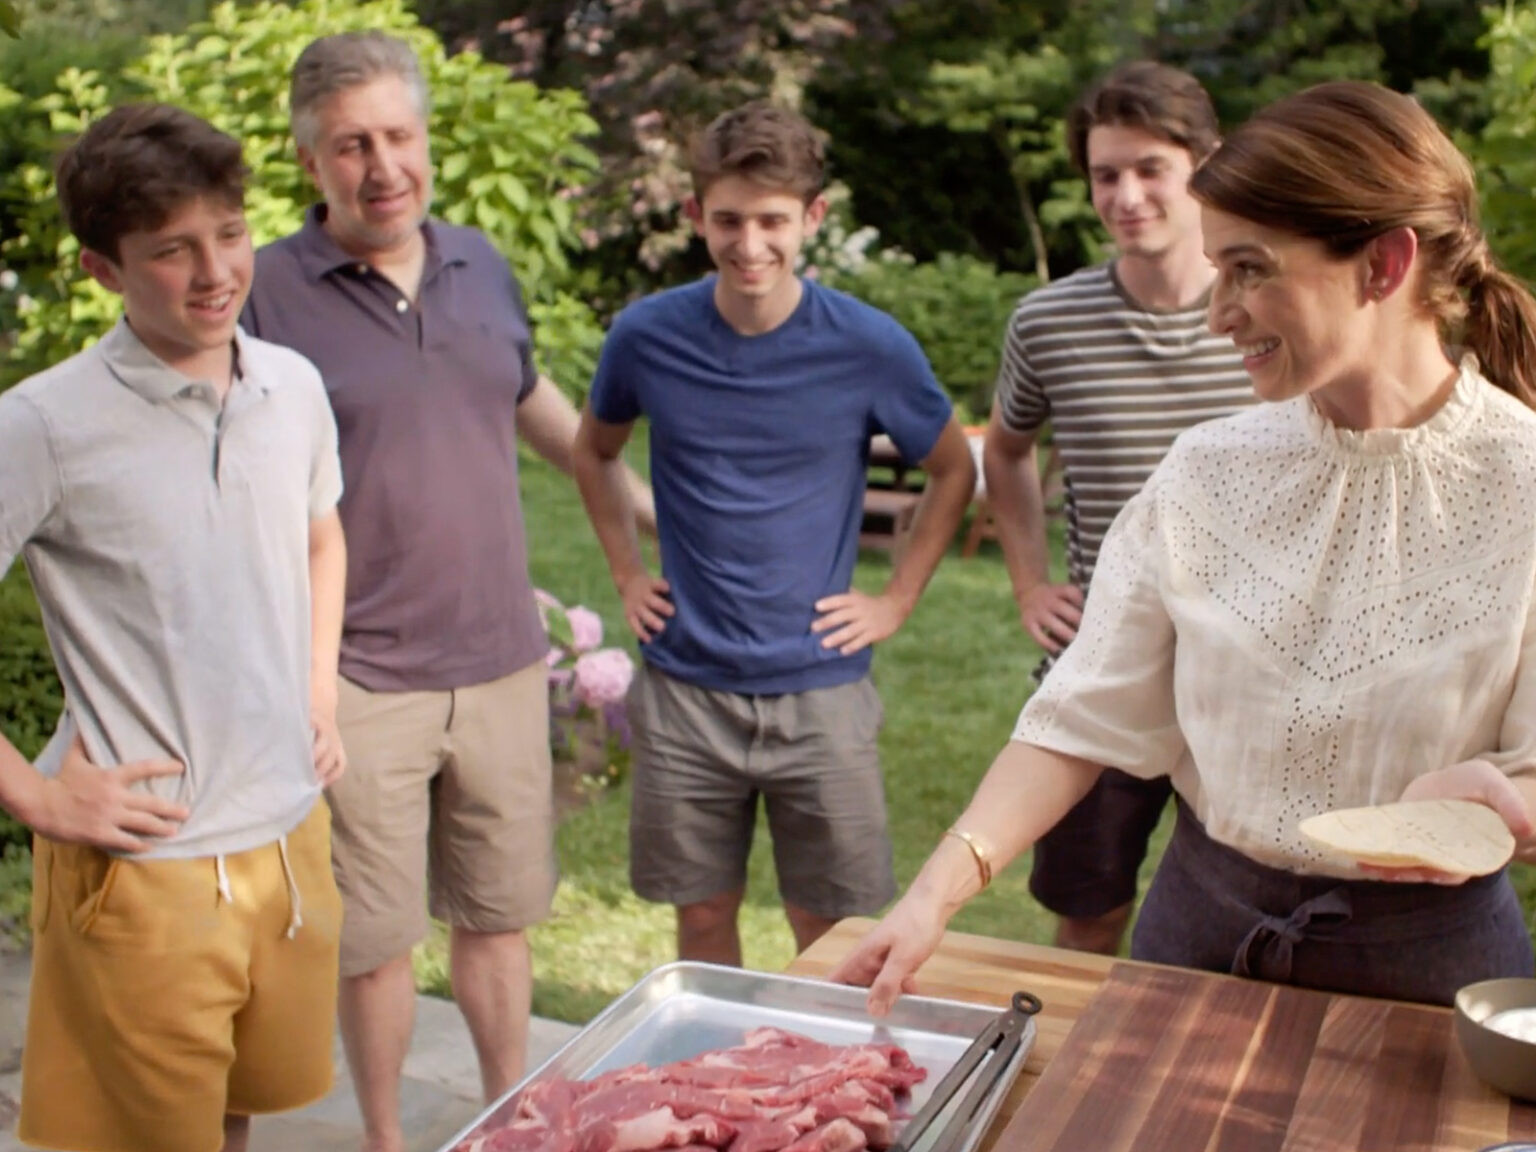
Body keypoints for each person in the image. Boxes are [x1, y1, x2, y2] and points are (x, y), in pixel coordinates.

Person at [835, 80, 1536, 1012]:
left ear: (1383, 264)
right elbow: (1080, 717)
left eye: (1250, 270)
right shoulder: (1206, 472)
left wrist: (1508, 801)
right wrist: (932, 897)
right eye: (1218, 270)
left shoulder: (1524, 484)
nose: (1218, 314)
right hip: (1196, 941)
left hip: (1433, 978)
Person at [239, 32, 651, 1152]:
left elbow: (527, 399)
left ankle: (509, 1120)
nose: (383, 167)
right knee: (375, 942)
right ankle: (385, 1139)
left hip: (502, 658)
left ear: (427, 138)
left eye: (399, 137)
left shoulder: (480, 262)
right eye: (351, 146)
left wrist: (646, 505)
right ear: (310, 161)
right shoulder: (265, 293)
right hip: (358, 673)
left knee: (499, 917)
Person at [0, 104, 346, 1152]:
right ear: (102, 269)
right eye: (171, 250)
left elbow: (321, 537)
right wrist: (36, 795)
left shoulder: (293, 385)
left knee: (235, 1114)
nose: (214, 272)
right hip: (146, 867)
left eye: (229, 235)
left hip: (288, 839)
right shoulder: (43, 425)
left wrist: (317, 693)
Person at [571, 101, 977, 968]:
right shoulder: (647, 337)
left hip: (820, 687)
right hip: (685, 685)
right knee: (702, 915)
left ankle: (819, 1060)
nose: (749, 244)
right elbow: (593, 451)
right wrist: (628, 573)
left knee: (831, 930)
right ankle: (724, 1060)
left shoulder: (868, 346)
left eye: (772, 221)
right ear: (695, 215)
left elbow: (954, 468)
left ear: (812, 217)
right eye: (728, 220)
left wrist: (896, 600)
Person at [983, 61, 1255, 956]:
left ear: (1206, 165)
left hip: (1248, 674)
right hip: (1102, 667)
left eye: (1150, 169)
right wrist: (1030, 584)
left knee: (1242, 919)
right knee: (1089, 911)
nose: (1127, 196)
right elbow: (1006, 450)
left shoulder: (1268, 315)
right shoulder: (1047, 323)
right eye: (1106, 175)